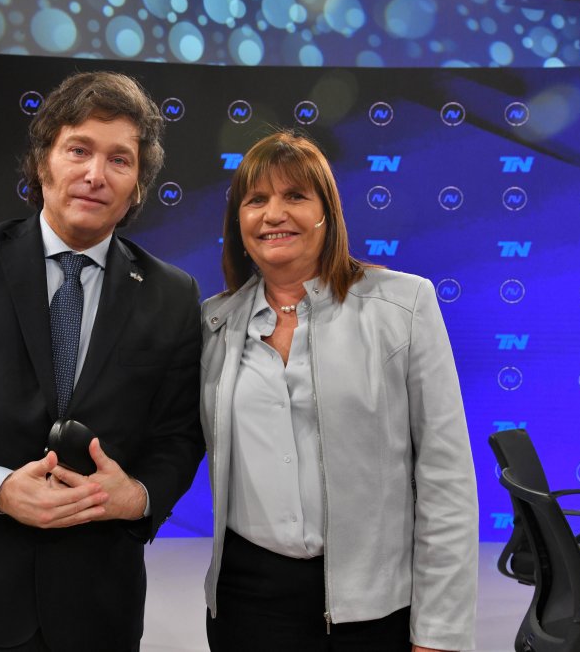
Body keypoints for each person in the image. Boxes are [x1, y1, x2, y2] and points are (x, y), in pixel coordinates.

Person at [0, 71, 204, 652]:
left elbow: (179, 433)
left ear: (137, 185)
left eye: (119, 160)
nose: (95, 175)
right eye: (78, 149)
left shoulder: (172, 293)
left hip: (98, 609)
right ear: (44, 160)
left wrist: (141, 495)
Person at [199, 131, 478, 651]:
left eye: (295, 196)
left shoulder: (404, 305)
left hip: (372, 608)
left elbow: (446, 479)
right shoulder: (211, 325)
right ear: (239, 223)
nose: (273, 213)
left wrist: (440, 631)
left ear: (327, 214)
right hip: (246, 604)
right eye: (256, 200)